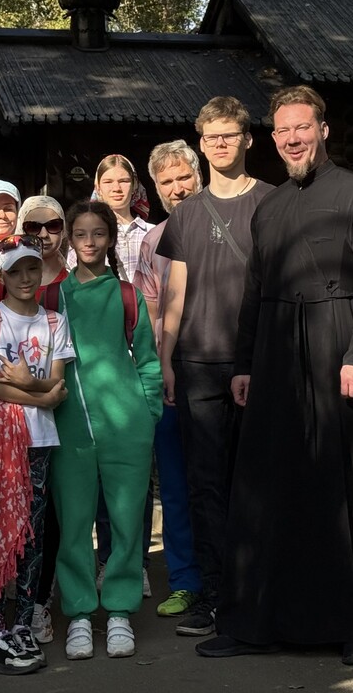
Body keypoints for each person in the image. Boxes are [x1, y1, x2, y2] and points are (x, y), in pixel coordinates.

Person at [195, 86, 353, 665]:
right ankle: (251, 623)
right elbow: (255, 292)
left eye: (302, 127)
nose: (292, 139)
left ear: (323, 130)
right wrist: (243, 364)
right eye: (282, 130)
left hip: (336, 347)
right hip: (275, 354)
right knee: (264, 486)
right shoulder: (270, 207)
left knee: (337, 487)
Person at [156, 96, 273, 638]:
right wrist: (167, 359)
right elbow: (175, 293)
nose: (220, 144)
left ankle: (257, 594)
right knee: (204, 485)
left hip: (259, 361)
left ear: (247, 139)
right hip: (198, 362)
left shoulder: (273, 203)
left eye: (229, 134)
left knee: (257, 481)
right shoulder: (185, 213)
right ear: (201, 145)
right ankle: (212, 594)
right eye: (211, 137)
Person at [52, 202, 163, 661]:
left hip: (126, 425)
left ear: (110, 239)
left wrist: (148, 413)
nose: (90, 242)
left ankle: (119, 610)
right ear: (70, 239)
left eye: (98, 233)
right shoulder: (53, 297)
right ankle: (79, 614)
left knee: (126, 522)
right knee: (74, 524)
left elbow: (148, 359)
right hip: (69, 427)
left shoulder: (126, 294)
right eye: (81, 234)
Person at [0, 236, 75, 674]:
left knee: (32, 533)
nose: (26, 278)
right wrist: (42, 395)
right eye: (16, 271)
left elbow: (57, 379)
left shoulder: (54, 321)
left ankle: (24, 623)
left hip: (39, 439)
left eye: (32, 268)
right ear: (2, 276)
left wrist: (32, 383)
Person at [131, 140, 203, 618]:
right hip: (171, 374)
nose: (177, 188)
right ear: (156, 189)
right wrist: (157, 369)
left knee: (222, 481)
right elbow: (150, 311)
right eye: (167, 181)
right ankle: (185, 581)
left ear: (198, 175)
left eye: (183, 177)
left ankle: (228, 578)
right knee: (174, 486)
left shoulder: (227, 224)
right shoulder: (154, 241)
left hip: (220, 369)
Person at [92, 154, 151, 281]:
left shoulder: (153, 233)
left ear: (134, 185)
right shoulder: (87, 235)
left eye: (124, 181)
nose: (116, 188)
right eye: (108, 182)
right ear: (98, 187)